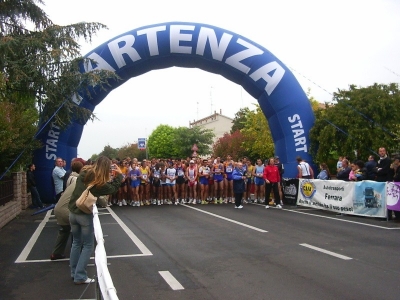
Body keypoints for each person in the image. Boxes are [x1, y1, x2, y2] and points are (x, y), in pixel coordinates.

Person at [68, 156, 123, 285]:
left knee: (76, 242)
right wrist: (119, 176)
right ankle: (80, 276)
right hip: (83, 214)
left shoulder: (85, 171)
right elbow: (113, 189)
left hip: (72, 211)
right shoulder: (100, 182)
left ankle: (74, 271)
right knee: (88, 245)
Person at [50, 159, 84, 260]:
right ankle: (76, 254)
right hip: (66, 210)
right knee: (77, 229)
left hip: (59, 208)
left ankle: (56, 253)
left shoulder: (70, 176)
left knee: (64, 230)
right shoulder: (77, 180)